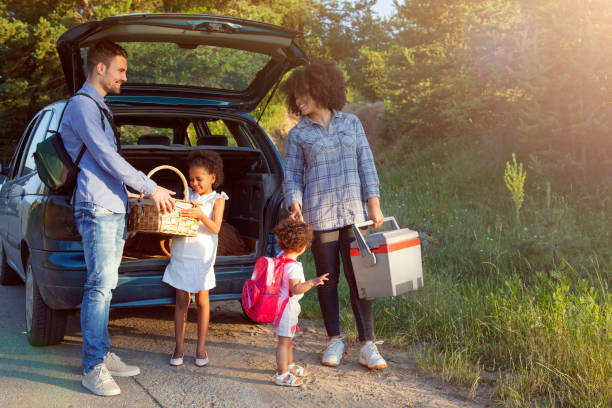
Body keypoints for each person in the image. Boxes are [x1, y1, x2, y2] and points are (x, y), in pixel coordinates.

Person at [61, 40, 176, 396]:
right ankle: (92, 368)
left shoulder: (98, 107)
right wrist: (150, 186)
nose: (125, 77)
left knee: (106, 285)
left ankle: (101, 353)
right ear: (100, 68)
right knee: (98, 286)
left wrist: (127, 193)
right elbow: (103, 156)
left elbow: (100, 163)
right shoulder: (82, 106)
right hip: (96, 208)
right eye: (120, 70)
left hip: (110, 204)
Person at [281, 60, 387, 370]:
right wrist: (295, 204)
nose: (299, 101)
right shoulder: (298, 134)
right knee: (327, 281)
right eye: (296, 96)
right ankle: (334, 340)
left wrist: (374, 203)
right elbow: (292, 176)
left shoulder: (352, 123)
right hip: (319, 217)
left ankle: (367, 344)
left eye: (305, 95)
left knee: (361, 281)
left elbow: (366, 164)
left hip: (355, 216)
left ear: (322, 90)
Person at [162, 150, 227, 368]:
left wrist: (200, 215)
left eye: (199, 179)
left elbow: (216, 228)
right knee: (181, 301)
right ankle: (178, 347)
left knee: (202, 301)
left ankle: (201, 347)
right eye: (191, 179)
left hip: (202, 257)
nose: (194, 183)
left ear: (213, 177)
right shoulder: (187, 194)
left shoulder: (217, 199)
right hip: (182, 252)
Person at [271, 219, 329, 386]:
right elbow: (295, 288)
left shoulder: (280, 257)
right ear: (302, 247)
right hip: (286, 308)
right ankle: (282, 374)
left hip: (280, 305)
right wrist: (312, 282)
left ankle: (288, 365)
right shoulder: (293, 266)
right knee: (284, 341)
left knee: (287, 339)